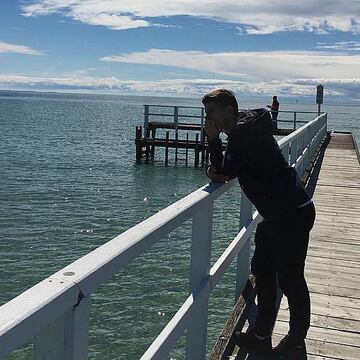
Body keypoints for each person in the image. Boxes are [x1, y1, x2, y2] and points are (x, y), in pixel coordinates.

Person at [203, 89, 315, 359]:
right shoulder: (249, 124)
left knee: (290, 280)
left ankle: (296, 341)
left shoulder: (240, 135)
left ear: (229, 110)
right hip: (279, 212)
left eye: (212, 112)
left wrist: (213, 141)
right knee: (262, 270)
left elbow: (224, 172)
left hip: (291, 214)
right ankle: (261, 335)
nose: (208, 118)